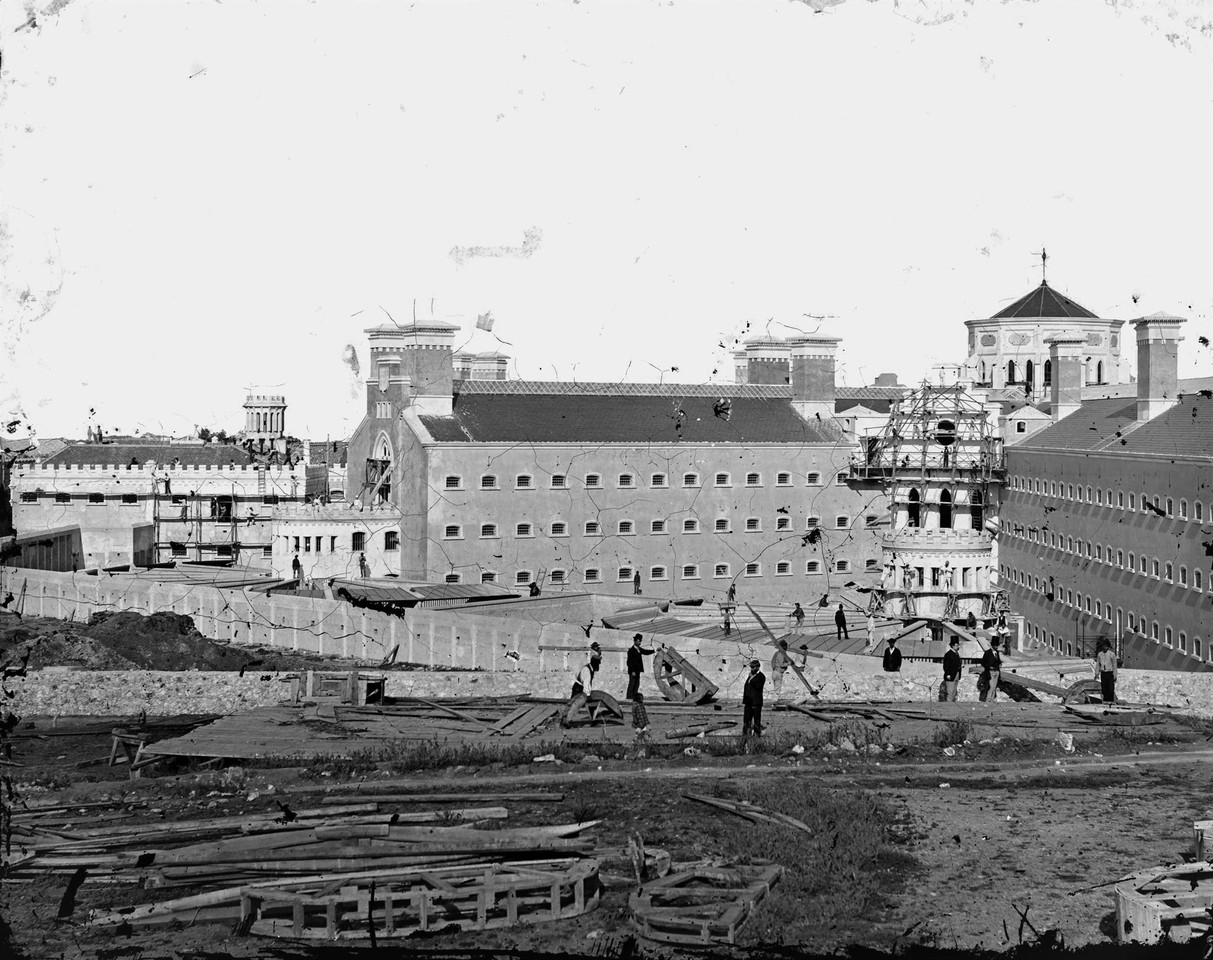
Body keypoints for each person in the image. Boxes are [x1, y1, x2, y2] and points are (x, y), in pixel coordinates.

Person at [563, 652, 602, 727]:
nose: (599, 665)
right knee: (573, 705)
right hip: (578, 688)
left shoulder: (591, 668)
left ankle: (592, 720)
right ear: (595, 663)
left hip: (581, 687)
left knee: (590, 704)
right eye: (598, 663)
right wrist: (588, 694)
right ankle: (566, 721)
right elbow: (586, 683)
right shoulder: (586, 670)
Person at [626, 633, 654, 700]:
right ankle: (629, 696)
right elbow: (629, 662)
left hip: (637, 670)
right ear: (635, 641)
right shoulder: (631, 651)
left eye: (640, 641)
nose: (639, 642)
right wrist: (632, 671)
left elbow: (645, 652)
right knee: (632, 683)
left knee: (637, 683)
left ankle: (634, 695)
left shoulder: (639, 649)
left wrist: (654, 651)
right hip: (633, 670)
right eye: (638, 641)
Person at [742, 659, 765, 736]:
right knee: (746, 720)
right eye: (751, 667)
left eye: (753, 667)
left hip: (756, 702)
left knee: (756, 720)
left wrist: (752, 679)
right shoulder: (750, 676)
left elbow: (758, 686)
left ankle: (757, 735)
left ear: (758, 667)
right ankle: (746, 735)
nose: (752, 669)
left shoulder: (761, 676)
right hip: (748, 702)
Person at [1095, 639, 1118, 704]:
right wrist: (1096, 673)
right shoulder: (1100, 654)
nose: (1104, 648)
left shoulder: (1112, 654)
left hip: (1110, 673)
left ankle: (1111, 702)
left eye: (1106, 646)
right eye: (1103, 646)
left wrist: (1115, 675)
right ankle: (1105, 702)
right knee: (1104, 688)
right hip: (1103, 673)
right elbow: (1098, 665)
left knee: (1110, 688)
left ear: (1108, 647)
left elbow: (1114, 666)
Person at [942, 636, 962, 702]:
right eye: (956, 645)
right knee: (950, 692)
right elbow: (946, 666)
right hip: (951, 674)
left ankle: (952, 705)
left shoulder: (956, 653)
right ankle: (949, 705)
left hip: (956, 673)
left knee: (954, 691)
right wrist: (948, 674)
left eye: (957, 645)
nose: (957, 646)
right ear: (952, 646)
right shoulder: (948, 654)